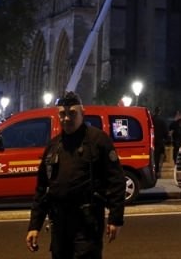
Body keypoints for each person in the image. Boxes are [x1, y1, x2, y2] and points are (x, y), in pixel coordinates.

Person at [26, 92, 126, 258]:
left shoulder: (98, 140)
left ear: (82, 113)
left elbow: (116, 180)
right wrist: (34, 225)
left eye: (72, 113)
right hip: (59, 224)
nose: (66, 118)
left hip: (87, 223)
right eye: (62, 114)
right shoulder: (53, 146)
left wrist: (116, 219)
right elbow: (43, 188)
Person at [152, 106, 169, 174]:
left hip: (152, 141)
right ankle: (157, 171)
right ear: (160, 112)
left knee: (153, 156)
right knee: (159, 157)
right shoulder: (162, 121)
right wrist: (166, 139)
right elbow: (166, 132)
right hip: (160, 141)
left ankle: (153, 171)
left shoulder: (151, 119)